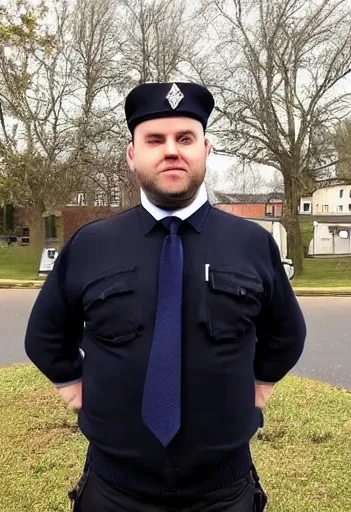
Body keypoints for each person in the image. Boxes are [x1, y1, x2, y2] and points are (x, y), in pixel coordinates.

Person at [24, 81, 307, 512]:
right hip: (114, 490)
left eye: (185, 139)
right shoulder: (91, 245)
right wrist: (74, 388)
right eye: (155, 139)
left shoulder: (251, 243)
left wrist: (261, 385)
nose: (171, 150)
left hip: (224, 491)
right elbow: (45, 335)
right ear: (132, 153)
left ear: (206, 150)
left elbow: (286, 332)